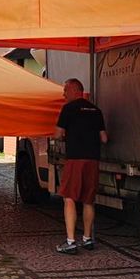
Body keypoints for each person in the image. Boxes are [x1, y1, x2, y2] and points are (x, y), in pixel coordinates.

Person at [55, 78, 107, 254]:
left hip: (75, 159)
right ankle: (87, 239)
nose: (63, 94)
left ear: (75, 90)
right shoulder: (96, 110)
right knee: (88, 199)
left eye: (65, 90)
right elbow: (104, 138)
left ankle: (70, 241)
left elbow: (58, 134)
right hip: (93, 159)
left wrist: (64, 137)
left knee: (69, 198)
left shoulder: (68, 109)